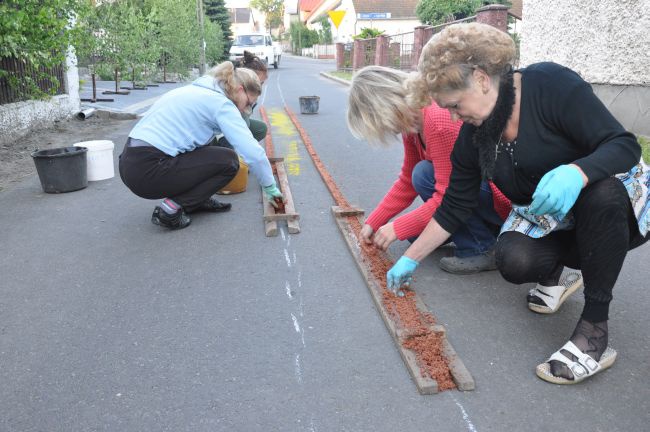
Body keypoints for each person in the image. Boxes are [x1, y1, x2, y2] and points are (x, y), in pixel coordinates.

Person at [388, 22, 649, 384]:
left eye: (454, 105)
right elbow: (454, 205)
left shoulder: (551, 85)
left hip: (613, 201)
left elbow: (624, 145)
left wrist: (577, 171)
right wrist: (410, 257)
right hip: (552, 216)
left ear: (481, 79)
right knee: (513, 260)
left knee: (602, 197)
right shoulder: (473, 135)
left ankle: (594, 332)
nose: (451, 116)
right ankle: (560, 272)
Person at [347, 65, 511, 274]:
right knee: (419, 175)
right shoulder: (413, 122)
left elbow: (451, 198)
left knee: (424, 174)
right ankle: (457, 231)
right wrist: (375, 221)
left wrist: (397, 227)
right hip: (469, 194)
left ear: (389, 106)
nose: (388, 131)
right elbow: (407, 181)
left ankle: (480, 246)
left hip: (498, 200)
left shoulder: (438, 120)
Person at [119, 61, 284, 230]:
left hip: (129, 163)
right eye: (249, 104)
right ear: (240, 90)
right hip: (148, 170)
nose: (246, 109)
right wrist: (270, 187)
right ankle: (170, 210)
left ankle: (196, 201)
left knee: (210, 150)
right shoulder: (221, 104)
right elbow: (252, 152)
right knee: (229, 161)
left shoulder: (198, 89)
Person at [214, 51, 269, 148]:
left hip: (229, 129)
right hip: (218, 134)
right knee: (244, 125)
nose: (260, 87)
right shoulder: (230, 93)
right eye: (260, 83)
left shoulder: (246, 92)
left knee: (259, 128)